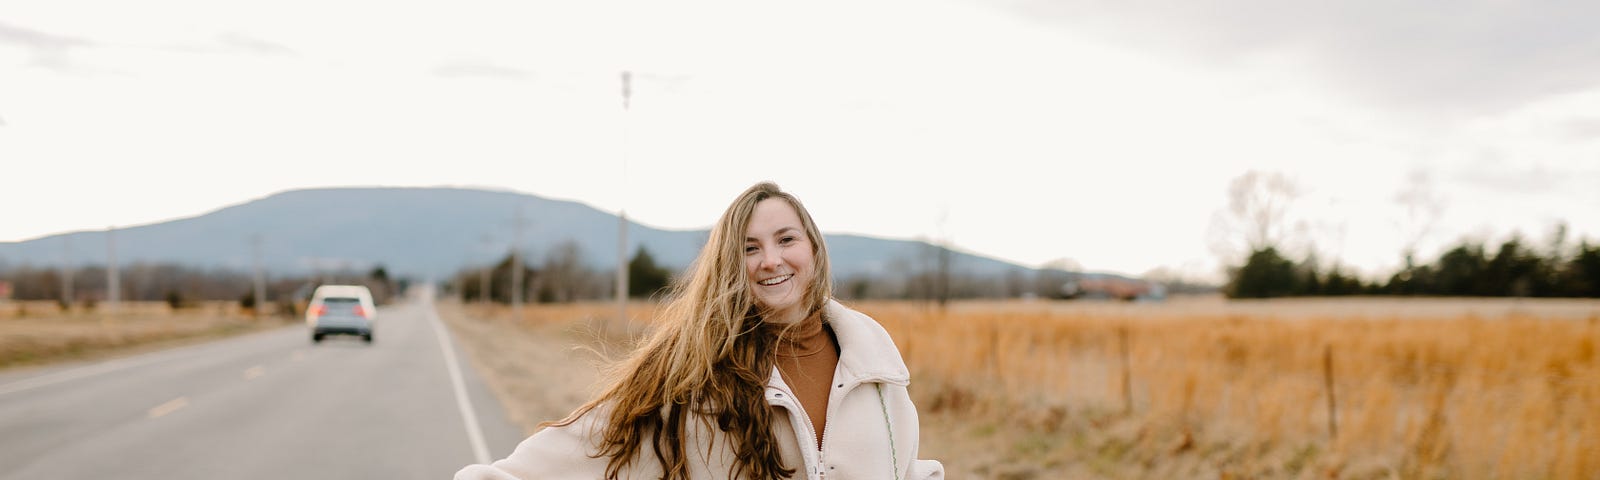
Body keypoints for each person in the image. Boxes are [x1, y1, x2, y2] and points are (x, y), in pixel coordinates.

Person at [455, 182, 943, 480]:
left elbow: (905, 467)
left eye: (785, 239)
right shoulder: (694, 370)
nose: (770, 260)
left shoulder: (874, 363)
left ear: (813, 248)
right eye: (750, 248)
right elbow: (580, 448)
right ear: (731, 265)